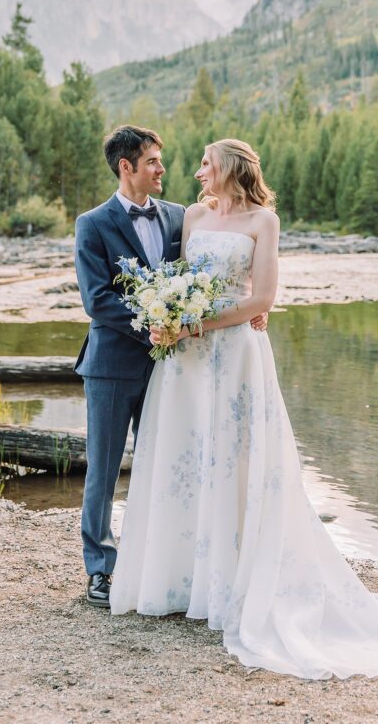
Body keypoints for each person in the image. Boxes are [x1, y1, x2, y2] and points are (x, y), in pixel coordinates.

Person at [109, 138, 378, 679]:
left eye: (206, 164)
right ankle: (184, 580)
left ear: (231, 169)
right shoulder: (192, 216)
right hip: (187, 362)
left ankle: (233, 583)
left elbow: (261, 299)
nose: (196, 173)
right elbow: (177, 281)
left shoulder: (265, 221)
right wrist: (170, 317)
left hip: (237, 354)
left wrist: (198, 322)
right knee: (187, 461)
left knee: (238, 463)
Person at [74, 125, 267, 609]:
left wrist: (250, 303)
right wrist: (154, 326)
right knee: (103, 469)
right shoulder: (92, 224)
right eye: (154, 162)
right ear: (127, 167)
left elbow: (201, 278)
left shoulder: (183, 216)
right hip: (115, 364)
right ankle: (100, 568)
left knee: (171, 464)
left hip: (182, 367)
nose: (163, 169)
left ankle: (165, 565)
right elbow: (97, 301)